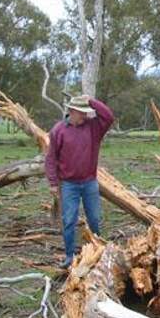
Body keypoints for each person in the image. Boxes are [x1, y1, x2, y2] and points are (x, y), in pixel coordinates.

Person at [44, 94, 114, 268]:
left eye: (86, 112)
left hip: (90, 182)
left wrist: (90, 100)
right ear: (72, 111)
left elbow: (108, 116)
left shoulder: (94, 127)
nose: (85, 115)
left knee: (94, 219)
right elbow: (51, 159)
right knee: (69, 220)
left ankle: (97, 251)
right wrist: (53, 183)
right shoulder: (58, 130)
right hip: (69, 184)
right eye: (82, 112)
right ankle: (69, 256)